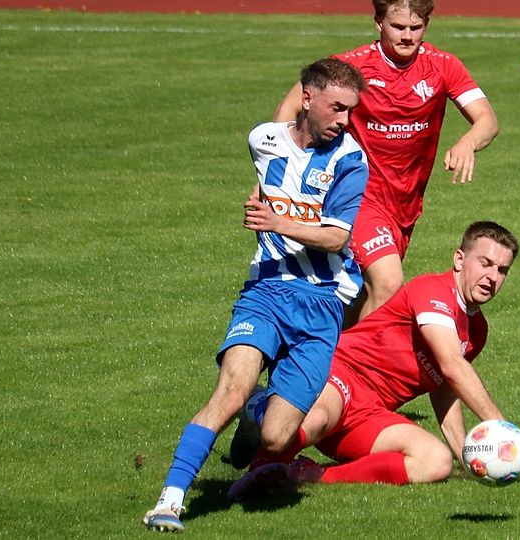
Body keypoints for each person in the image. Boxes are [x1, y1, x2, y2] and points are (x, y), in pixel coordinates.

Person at [142, 57, 369, 533]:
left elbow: (336, 238)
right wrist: (264, 207)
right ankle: (170, 500)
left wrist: (276, 221)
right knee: (229, 391)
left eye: (351, 110)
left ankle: (254, 413)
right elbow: (269, 174)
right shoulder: (263, 140)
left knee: (276, 436)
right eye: (336, 108)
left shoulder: (350, 160)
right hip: (266, 291)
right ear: (306, 98)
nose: (345, 120)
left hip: (322, 305)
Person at [227, 222, 520, 500]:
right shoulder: (433, 290)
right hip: (342, 375)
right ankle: (260, 429)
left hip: (371, 413)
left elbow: (445, 386)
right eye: (485, 263)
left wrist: (466, 452)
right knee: (316, 420)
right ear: (459, 260)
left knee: (436, 461)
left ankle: (310, 475)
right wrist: (505, 432)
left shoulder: (477, 330)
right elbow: (452, 366)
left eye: (502, 270)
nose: (492, 277)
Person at [273, 0, 500, 323]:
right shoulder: (352, 67)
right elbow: (290, 106)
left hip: (404, 206)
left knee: (361, 296)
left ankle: (310, 347)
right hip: (357, 194)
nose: (407, 36)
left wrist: (468, 142)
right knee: (389, 282)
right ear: (378, 22)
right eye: (398, 27)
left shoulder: (443, 66)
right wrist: (278, 168)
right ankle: (349, 359)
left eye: (415, 28)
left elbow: (487, 120)